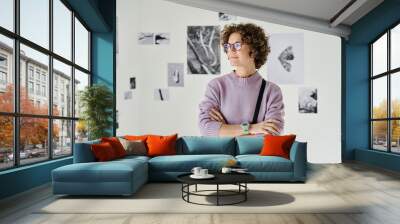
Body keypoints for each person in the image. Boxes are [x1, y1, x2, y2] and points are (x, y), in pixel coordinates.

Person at [198, 23, 284, 137]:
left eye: (237, 45)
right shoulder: (216, 86)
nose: (231, 50)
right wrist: (252, 128)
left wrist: (226, 129)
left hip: (254, 155)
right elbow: (206, 129)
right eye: (228, 46)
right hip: (223, 155)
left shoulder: (272, 91)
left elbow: (272, 133)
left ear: (254, 49)